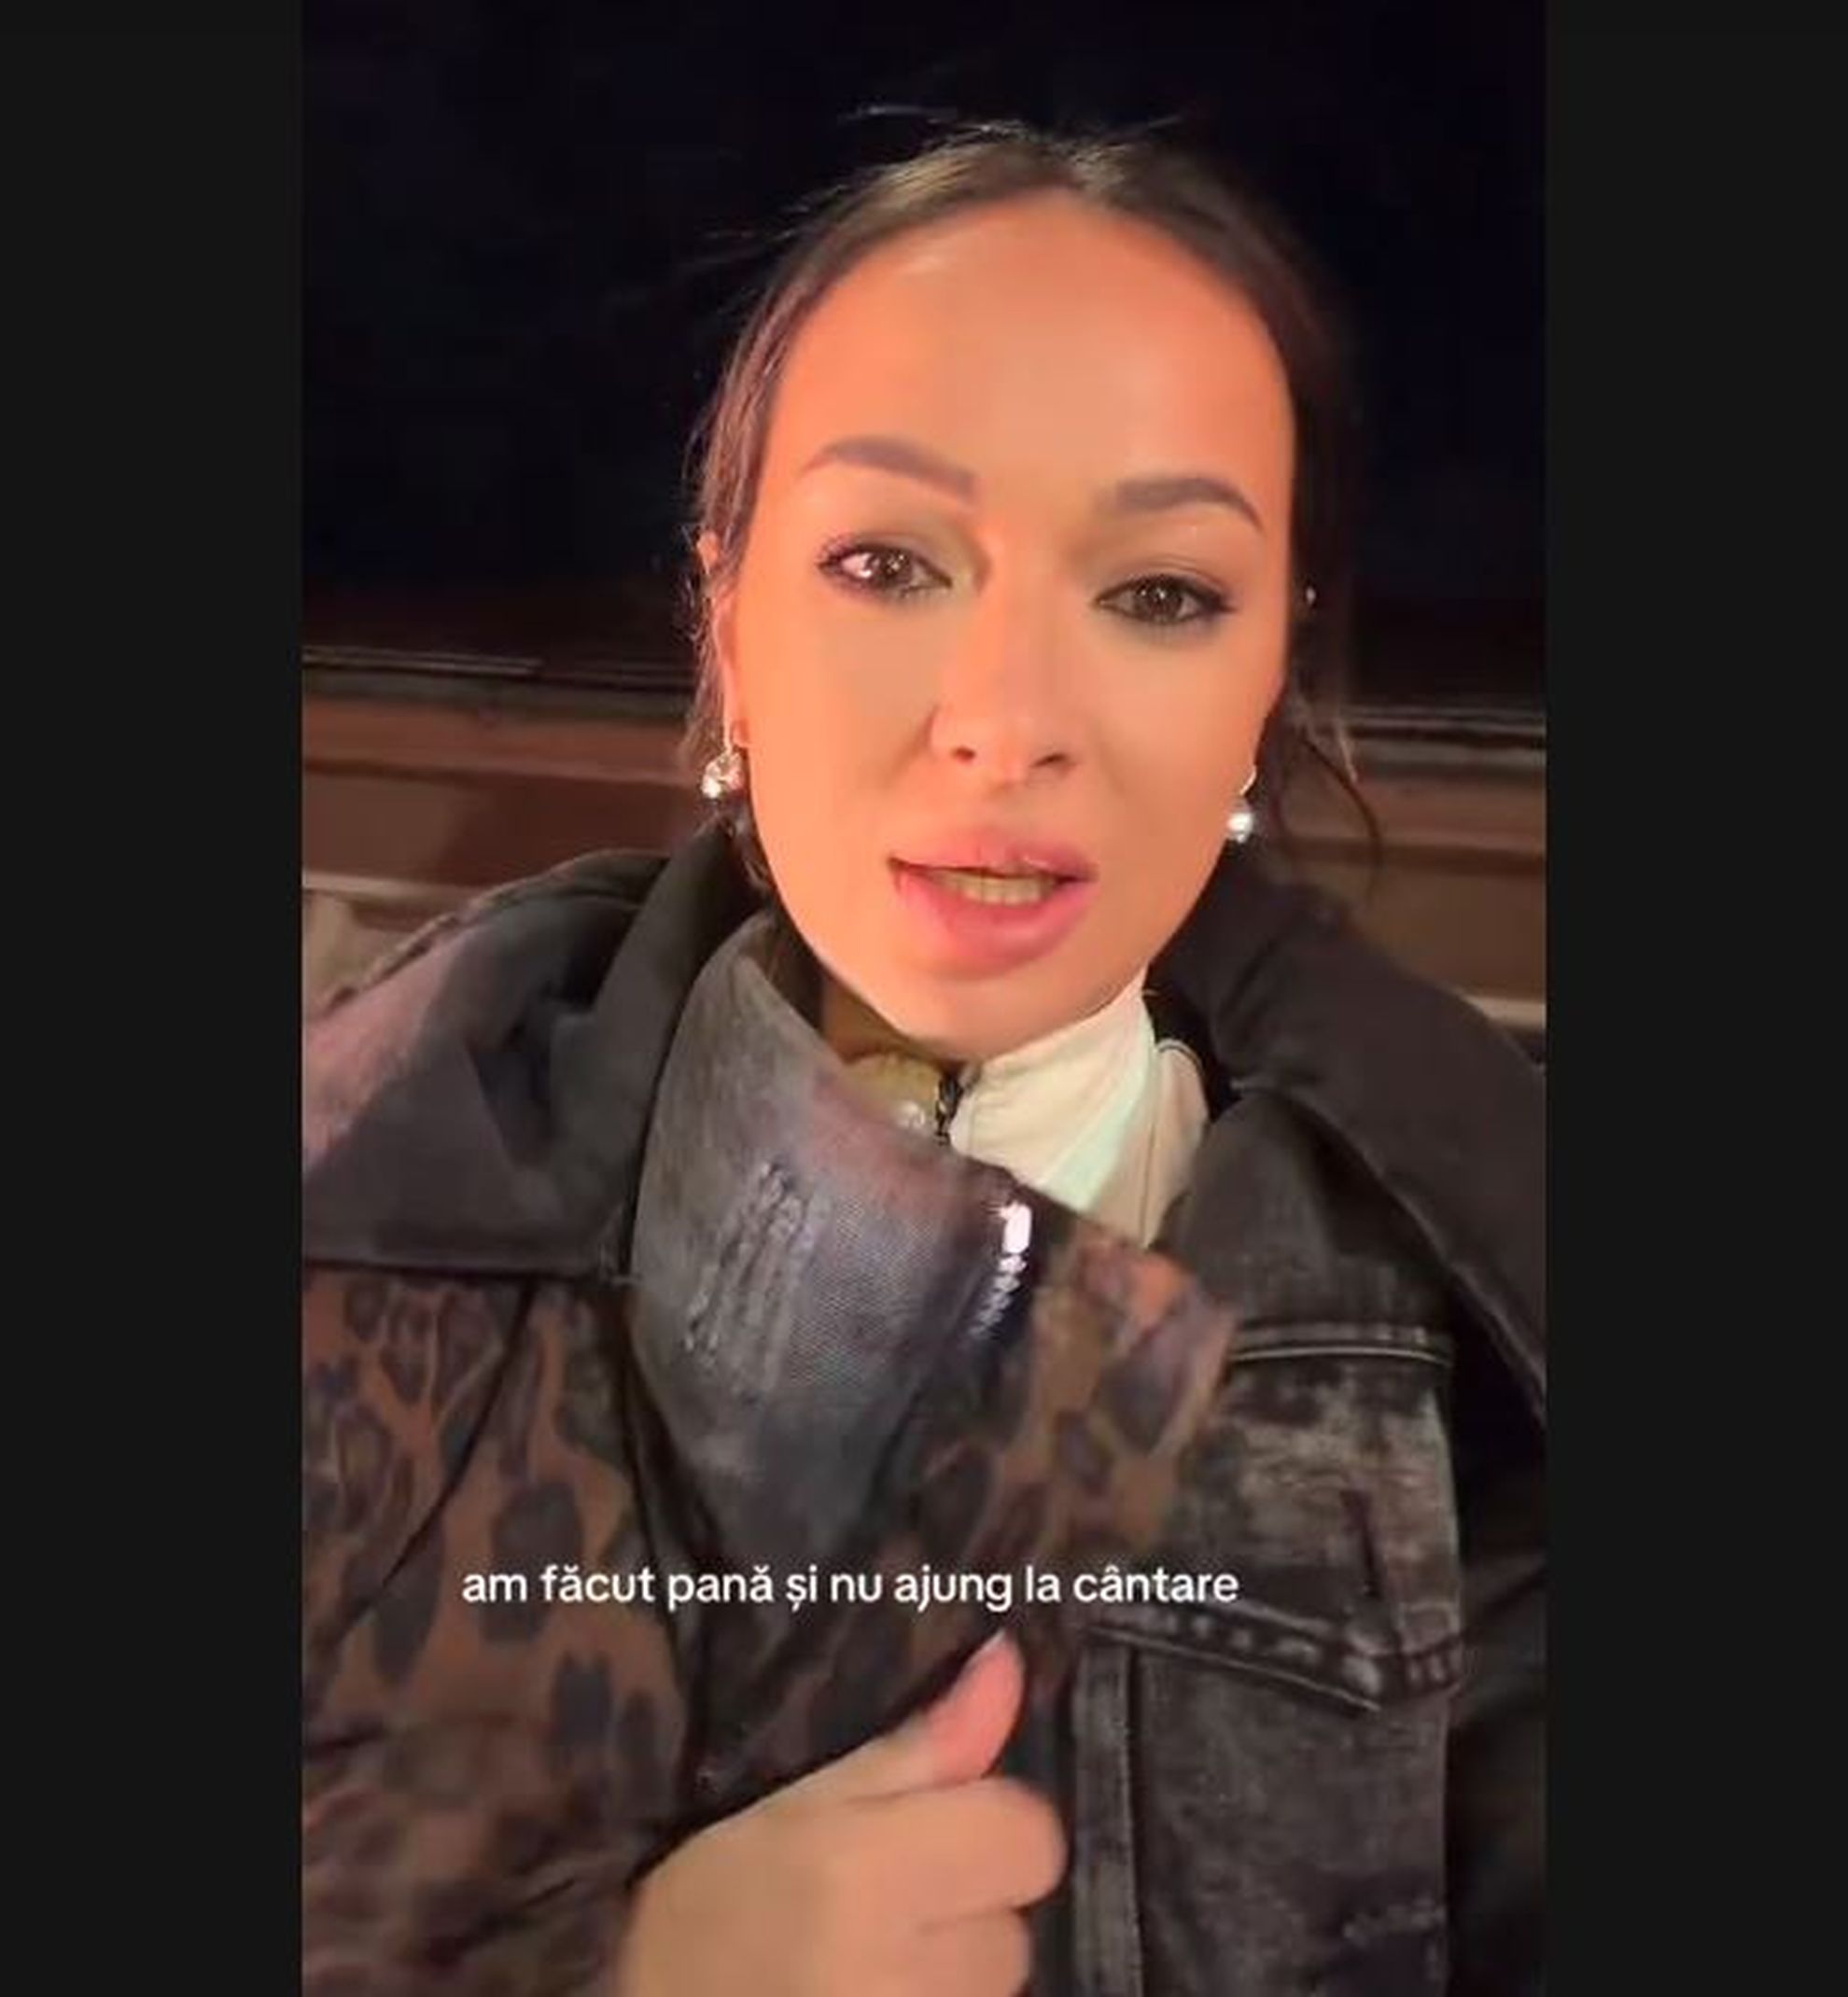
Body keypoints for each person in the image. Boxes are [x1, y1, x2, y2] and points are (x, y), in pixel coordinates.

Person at [302, 121, 1544, 1997]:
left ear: (1269, 678)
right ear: (727, 621)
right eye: (887, 562)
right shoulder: (373, 1206)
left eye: (1160, 593)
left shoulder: (1467, 1323)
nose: (1006, 721)